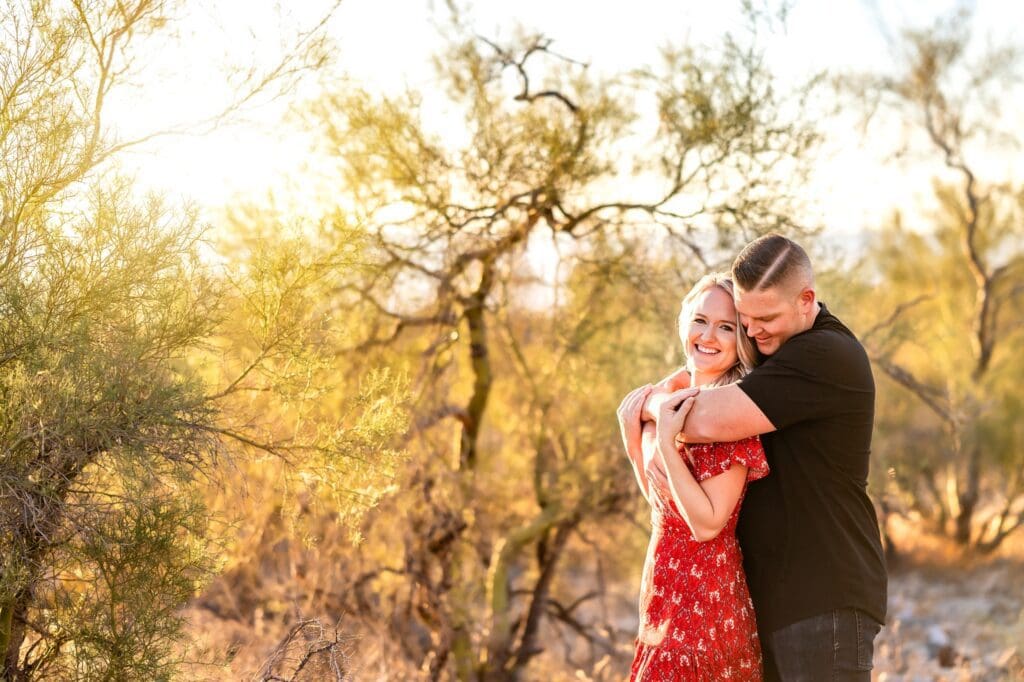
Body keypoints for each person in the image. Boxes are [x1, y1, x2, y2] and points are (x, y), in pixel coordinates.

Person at [647, 234, 887, 681]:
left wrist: (648, 406)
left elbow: (708, 420)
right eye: (745, 318)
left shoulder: (825, 355)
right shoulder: (782, 353)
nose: (753, 331)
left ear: (806, 299)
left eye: (766, 318)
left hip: (824, 598)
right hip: (781, 603)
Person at [618, 272, 768, 681]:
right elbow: (662, 508)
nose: (709, 335)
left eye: (726, 327)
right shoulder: (673, 401)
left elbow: (706, 524)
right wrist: (637, 442)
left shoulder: (731, 418)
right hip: (662, 604)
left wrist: (665, 442)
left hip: (704, 617)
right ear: (683, 323)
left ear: (742, 341)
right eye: (700, 320)